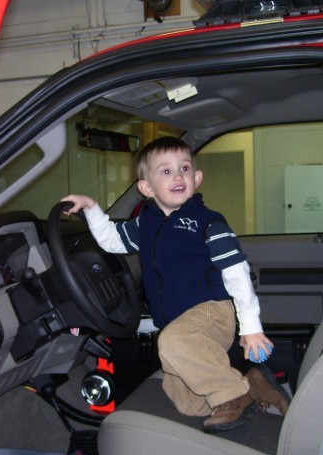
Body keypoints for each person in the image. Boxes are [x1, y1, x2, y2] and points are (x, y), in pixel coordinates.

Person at [62, 136, 289, 432]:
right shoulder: (147, 223)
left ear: (196, 178)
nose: (178, 175)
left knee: (172, 341)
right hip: (181, 324)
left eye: (184, 168)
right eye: (166, 171)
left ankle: (235, 395)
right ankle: (253, 384)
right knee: (184, 398)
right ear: (146, 188)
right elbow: (113, 240)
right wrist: (90, 207)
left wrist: (251, 327)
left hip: (212, 312)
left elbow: (236, 272)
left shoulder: (207, 222)